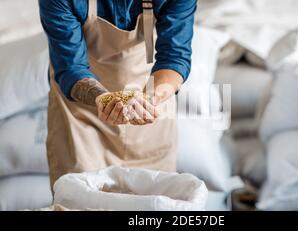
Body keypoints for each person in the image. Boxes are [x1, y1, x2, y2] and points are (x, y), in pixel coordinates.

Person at [39, 0, 196, 186]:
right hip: (81, 121)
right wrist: (102, 99)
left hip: (149, 111)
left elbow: (175, 56)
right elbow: (70, 68)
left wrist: (149, 100)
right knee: (82, 201)